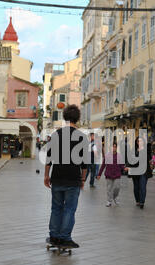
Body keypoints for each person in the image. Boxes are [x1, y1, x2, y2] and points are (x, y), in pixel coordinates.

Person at [44, 105, 87, 248]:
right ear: (78, 118)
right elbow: (85, 163)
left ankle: (54, 236)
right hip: (73, 179)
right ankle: (65, 238)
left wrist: (46, 176)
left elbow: (49, 158)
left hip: (57, 177)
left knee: (56, 208)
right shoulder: (82, 137)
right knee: (69, 209)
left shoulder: (56, 135)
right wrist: (82, 179)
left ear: (64, 117)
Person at [126, 136, 152, 209]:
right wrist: (127, 166)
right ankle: (137, 200)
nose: (139, 142)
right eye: (138, 141)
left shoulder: (146, 149)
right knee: (136, 187)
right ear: (136, 142)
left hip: (144, 171)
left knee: (142, 186)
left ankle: (142, 202)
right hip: (135, 170)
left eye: (141, 141)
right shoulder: (133, 150)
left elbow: (149, 158)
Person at [96, 142, 125, 207]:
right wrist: (99, 174)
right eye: (112, 147)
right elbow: (103, 165)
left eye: (115, 147)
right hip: (109, 174)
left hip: (117, 174)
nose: (114, 148)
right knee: (109, 188)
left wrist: (124, 168)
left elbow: (121, 165)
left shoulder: (119, 156)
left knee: (117, 187)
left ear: (116, 148)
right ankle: (109, 201)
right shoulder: (107, 156)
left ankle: (115, 197)